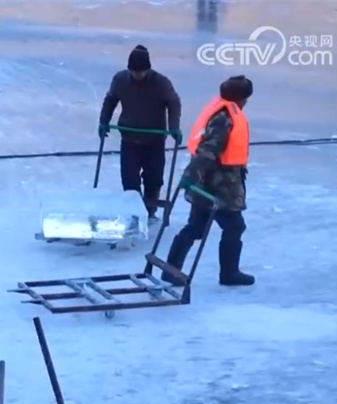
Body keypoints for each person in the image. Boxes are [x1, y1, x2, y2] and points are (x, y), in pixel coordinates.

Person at [162, 75, 255, 287]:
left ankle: (171, 270)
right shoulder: (225, 118)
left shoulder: (221, 111)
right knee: (234, 226)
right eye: (246, 99)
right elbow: (207, 151)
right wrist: (189, 176)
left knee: (196, 227)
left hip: (209, 183)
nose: (246, 103)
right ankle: (229, 274)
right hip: (219, 186)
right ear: (240, 99)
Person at [99, 44, 183, 220]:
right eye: (133, 71)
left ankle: (150, 211)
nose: (137, 75)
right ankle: (134, 212)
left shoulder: (161, 83)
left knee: (153, 178)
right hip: (129, 138)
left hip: (154, 139)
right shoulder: (120, 80)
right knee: (129, 179)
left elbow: (173, 103)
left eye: (141, 71)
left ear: (148, 69)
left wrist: (174, 127)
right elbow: (111, 100)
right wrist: (104, 121)